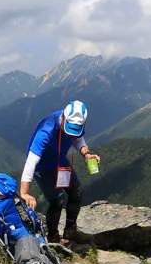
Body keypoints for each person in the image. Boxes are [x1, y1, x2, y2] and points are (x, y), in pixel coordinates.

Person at [19, 100, 100, 243]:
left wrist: (86, 154)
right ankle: (53, 237)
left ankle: (70, 231)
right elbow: (31, 162)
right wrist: (24, 193)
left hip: (60, 161)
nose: (69, 132)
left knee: (77, 191)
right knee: (57, 200)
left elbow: (78, 139)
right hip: (43, 166)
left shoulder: (74, 121)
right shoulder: (46, 130)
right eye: (67, 128)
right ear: (63, 118)